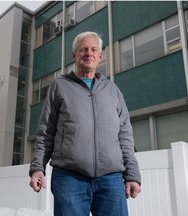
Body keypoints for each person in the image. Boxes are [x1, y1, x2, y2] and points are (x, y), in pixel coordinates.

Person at [29, 31, 141, 216]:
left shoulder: (112, 90)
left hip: (111, 180)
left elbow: (125, 135)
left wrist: (132, 175)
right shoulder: (59, 86)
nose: (88, 53)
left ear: (100, 55)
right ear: (74, 55)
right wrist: (37, 168)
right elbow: (46, 132)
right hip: (69, 178)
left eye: (93, 49)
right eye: (83, 49)